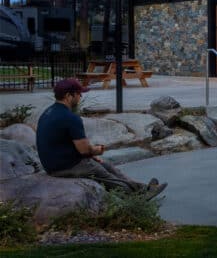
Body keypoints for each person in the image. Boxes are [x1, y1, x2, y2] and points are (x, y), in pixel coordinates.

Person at [36, 78, 166, 198]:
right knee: (101, 172)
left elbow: (64, 144)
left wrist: (90, 155)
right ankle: (136, 197)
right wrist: (97, 150)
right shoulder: (70, 118)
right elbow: (84, 150)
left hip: (53, 164)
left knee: (106, 164)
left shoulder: (48, 112)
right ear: (69, 96)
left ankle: (143, 188)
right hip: (64, 167)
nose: (80, 97)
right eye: (79, 94)